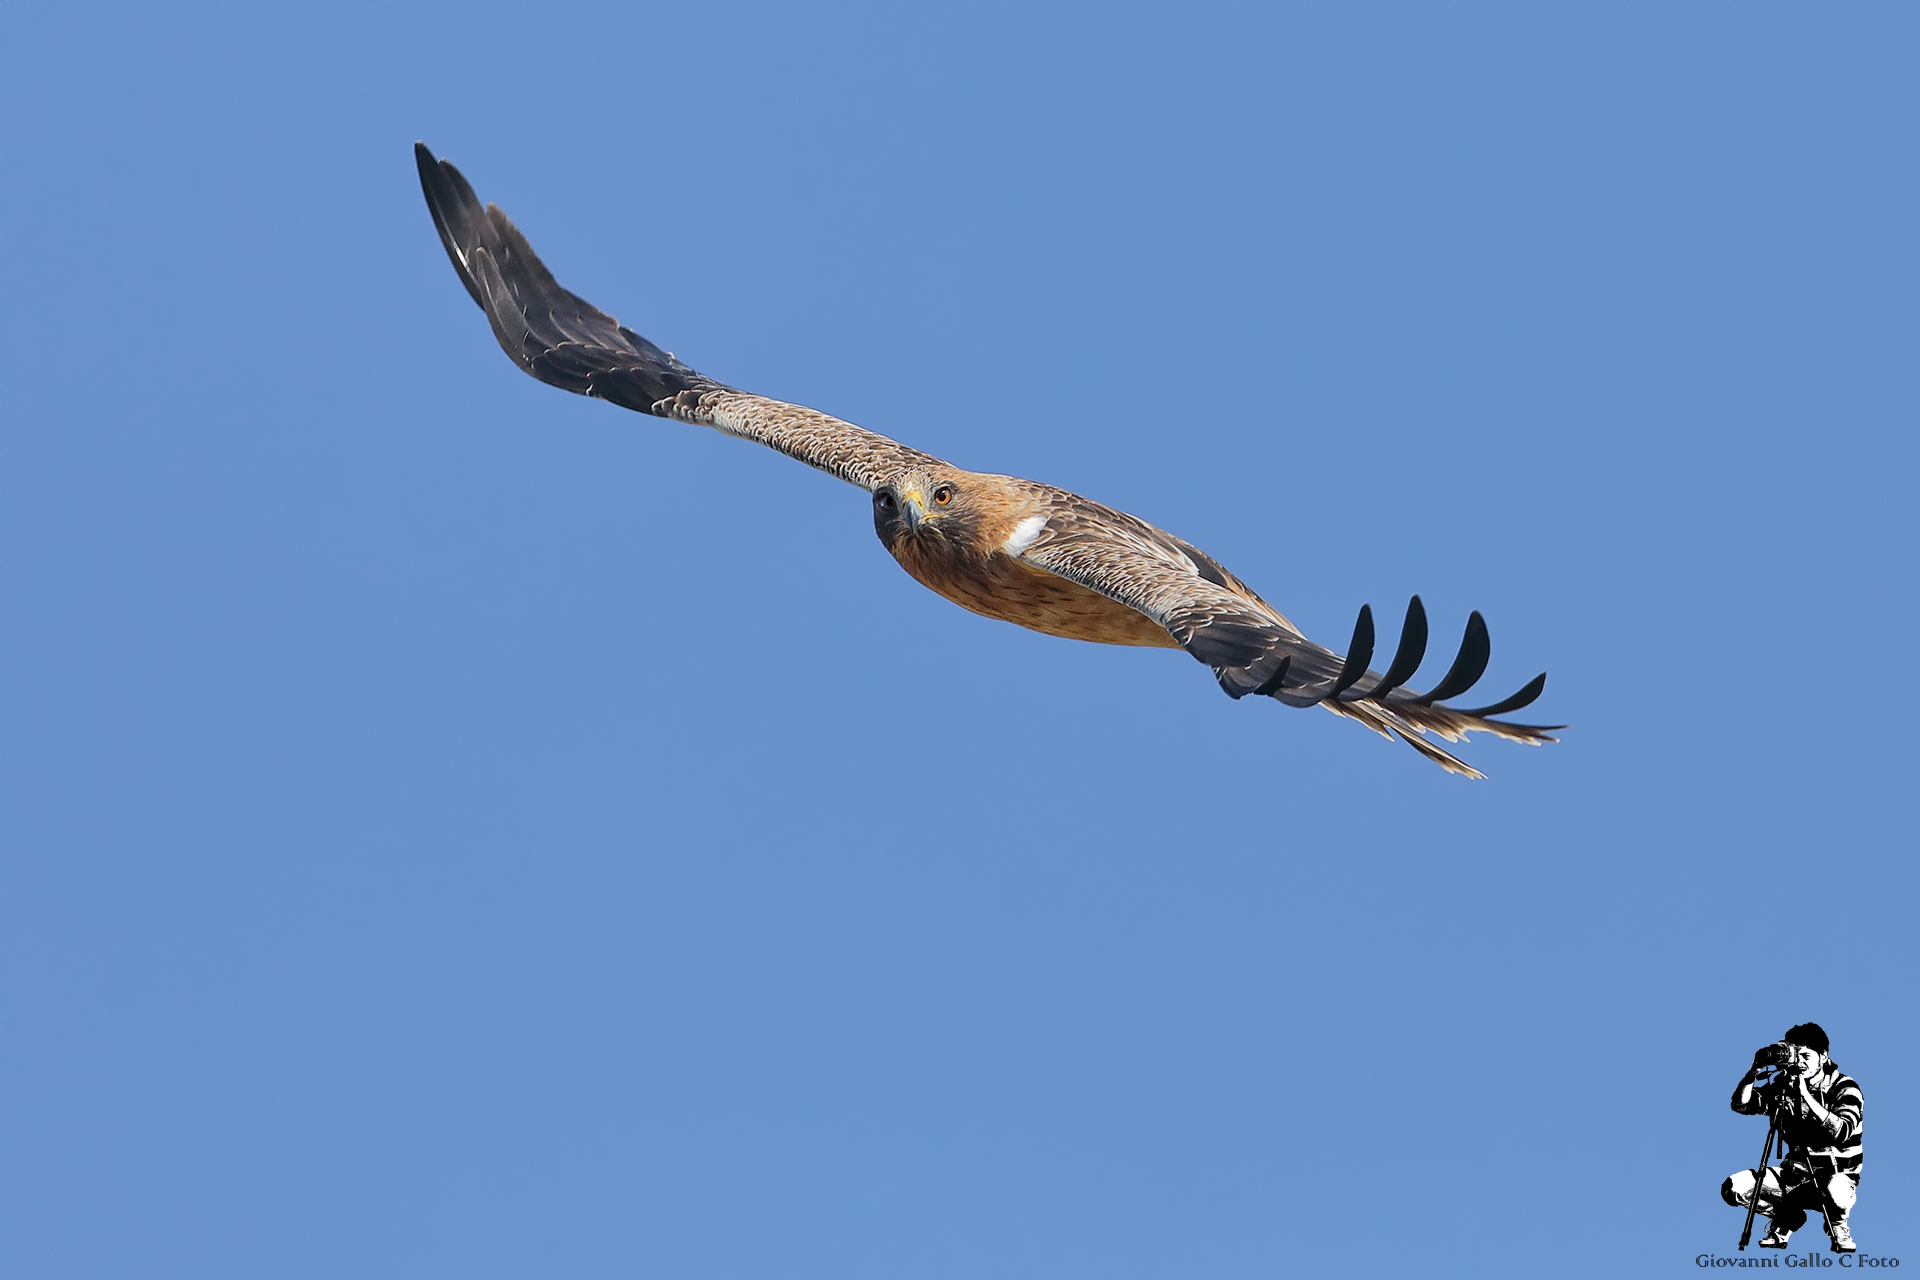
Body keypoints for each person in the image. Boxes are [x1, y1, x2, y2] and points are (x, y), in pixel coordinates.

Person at [1721, 1022, 1863, 1252]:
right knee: (1733, 1188)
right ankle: (1788, 1218)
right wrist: (1753, 1072)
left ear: (1824, 1056)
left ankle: (1838, 1226)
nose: (1801, 1062)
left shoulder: (1844, 1086)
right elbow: (1741, 1105)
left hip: (1834, 1175)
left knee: (1836, 1189)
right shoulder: (1785, 1085)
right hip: (1794, 1175)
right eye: (1796, 1056)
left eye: (1806, 1056)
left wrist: (1805, 1094)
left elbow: (1842, 1131)